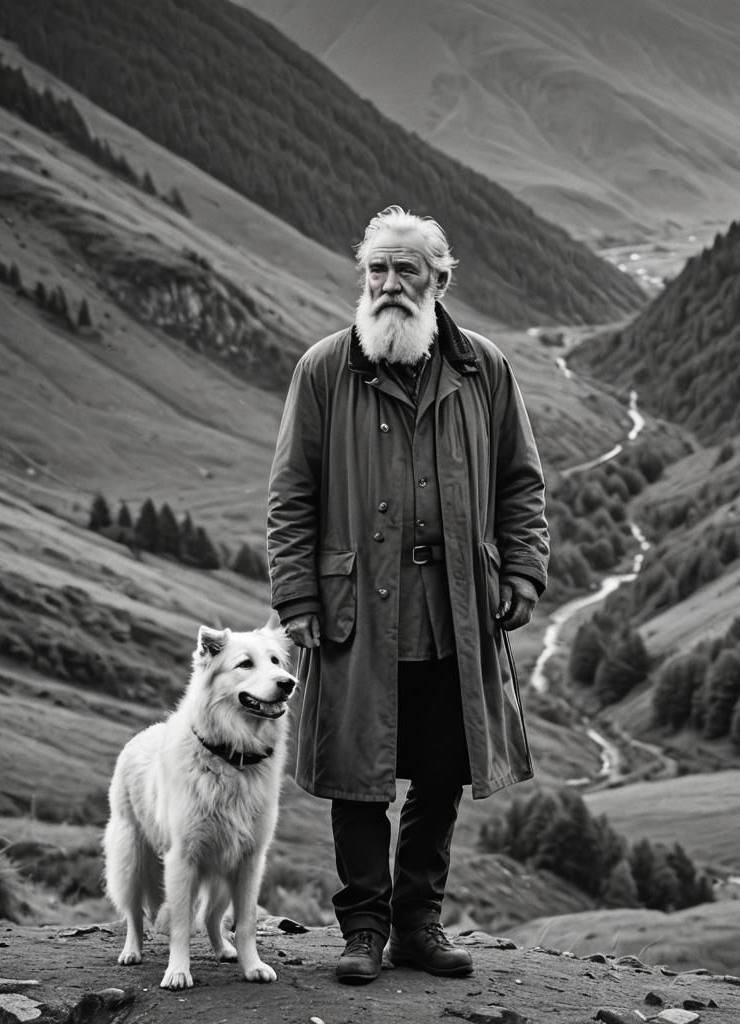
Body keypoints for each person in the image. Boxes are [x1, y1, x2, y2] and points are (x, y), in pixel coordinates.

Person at [266, 204, 549, 985]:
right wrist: (297, 599)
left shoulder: (484, 369)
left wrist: (522, 568)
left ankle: (418, 924)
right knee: (358, 770)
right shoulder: (325, 370)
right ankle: (362, 929)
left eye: (406, 271)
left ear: (440, 280)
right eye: (377, 271)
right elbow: (291, 495)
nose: (390, 285)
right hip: (358, 609)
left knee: (441, 767)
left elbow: (520, 481)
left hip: (457, 606)